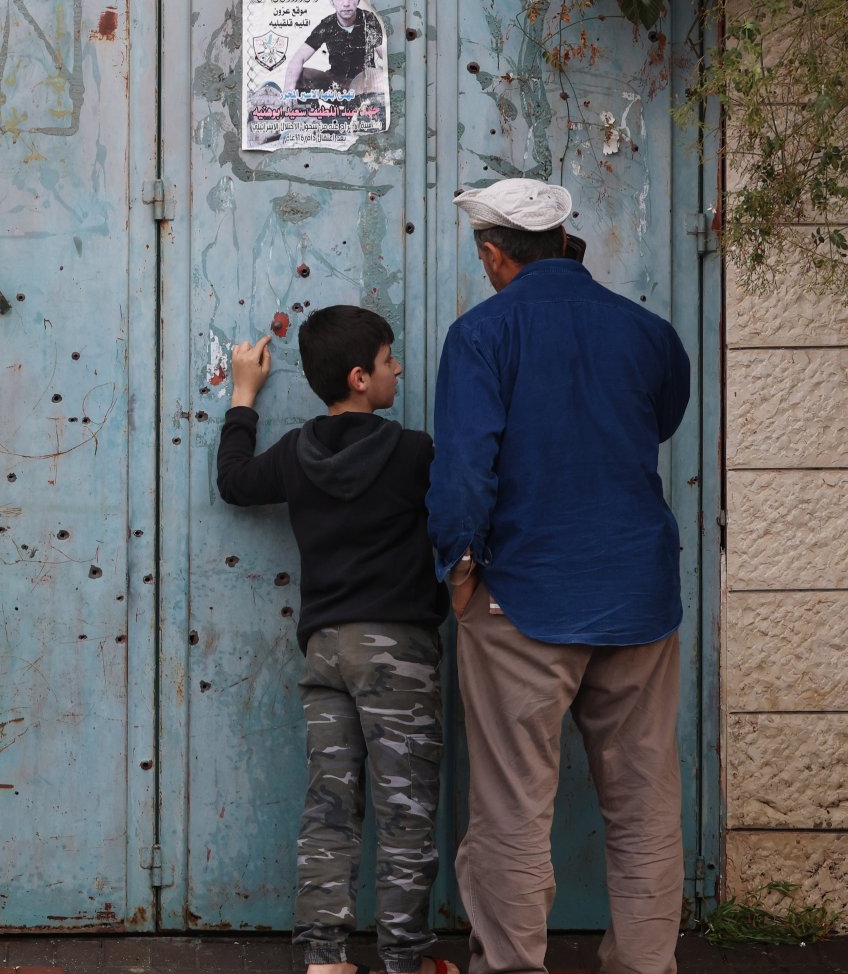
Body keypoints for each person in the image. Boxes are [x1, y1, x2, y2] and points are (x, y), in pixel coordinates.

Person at [429, 178, 691, 974]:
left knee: (513, 812)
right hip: (640, 599)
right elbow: (661, 419)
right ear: (566, 245)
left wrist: (461, 572)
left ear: (495, 256)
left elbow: (465, 473)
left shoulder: (482, 335)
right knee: (645, 810)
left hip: (524, 602)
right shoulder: (649, 333)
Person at [217, 307, 457, 974]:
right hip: (397, 654)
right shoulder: (414, 454)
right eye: (388, 360)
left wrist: (243, 394)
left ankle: (324, 958)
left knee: (330, 804)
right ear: (360, 377)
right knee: (405, 810)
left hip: (325, 649)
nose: (398, 369)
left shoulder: (297, 453)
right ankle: (405, 961)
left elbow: (234, 483)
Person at [281, 0, 386, 95]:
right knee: (302, 74)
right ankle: (311, 112)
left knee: (379, 80)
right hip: (337, 86)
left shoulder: (368, 19)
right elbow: (298, 59)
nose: (346, 3)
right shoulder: (327, 24)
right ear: (332, 1)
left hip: (364, 84)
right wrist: (287, 94)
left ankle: (364, 109)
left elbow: (385, 55)